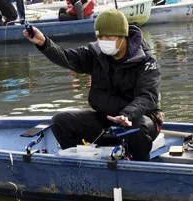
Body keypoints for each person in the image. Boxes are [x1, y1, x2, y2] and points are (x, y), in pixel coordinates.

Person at [23, 9, 163, 161]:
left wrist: (127, 115)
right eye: (100, 36)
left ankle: (138, 168)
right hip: (106, 119)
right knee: (61, 121)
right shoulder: (96, 54)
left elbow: (148, 96)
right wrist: (44, 43)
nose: (103, 40)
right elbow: (67, 58)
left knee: (137, 128)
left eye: (108, 37)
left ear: (123, 36)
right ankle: (82, 165)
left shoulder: (146, 60)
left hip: (139, 119)